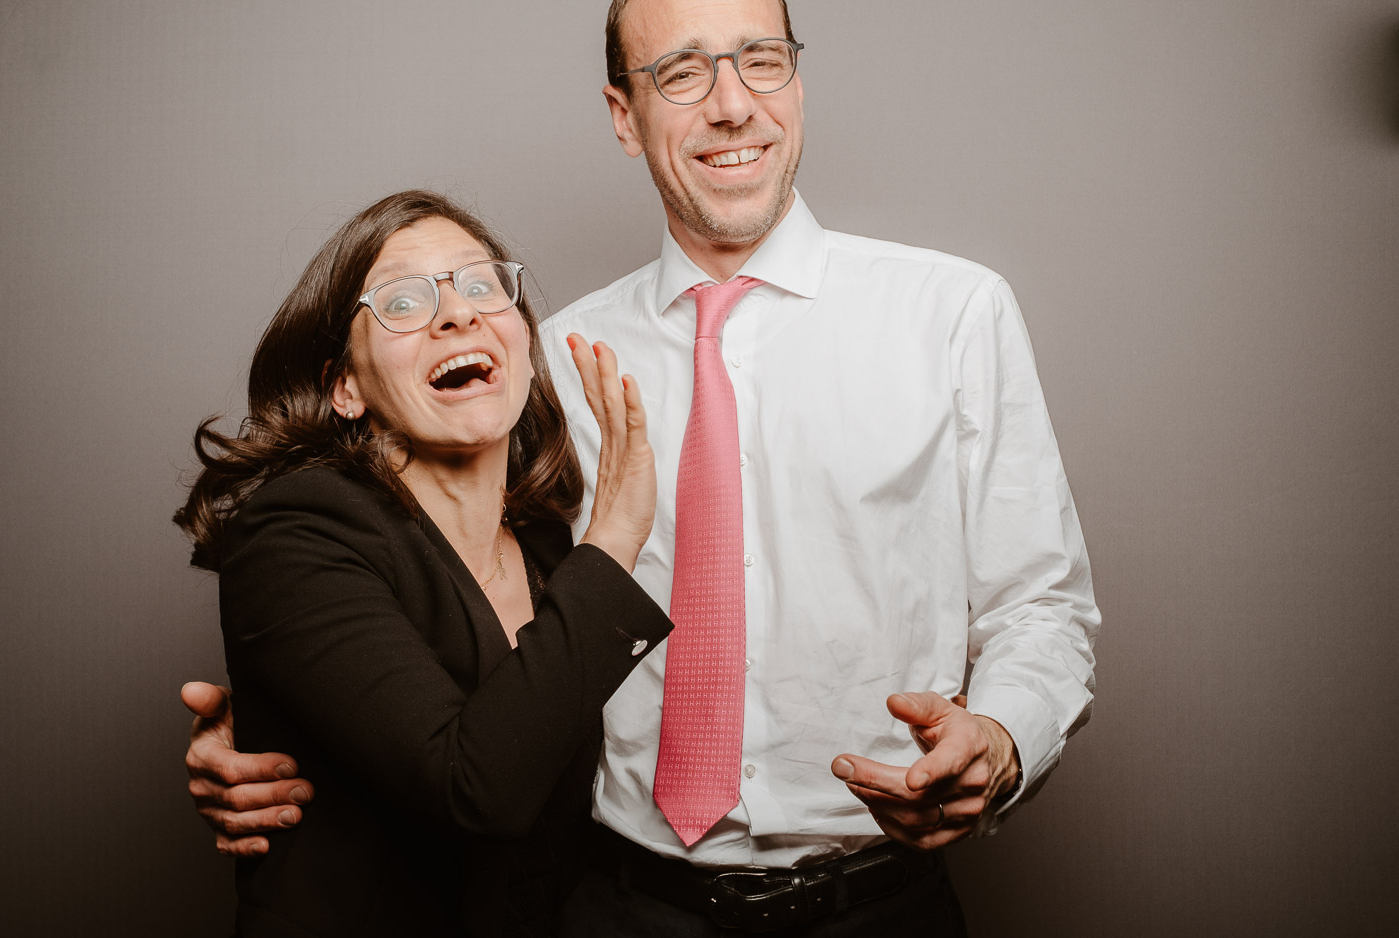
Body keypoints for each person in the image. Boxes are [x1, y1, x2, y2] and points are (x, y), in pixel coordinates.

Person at [184, 1, 1101, 933]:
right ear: (625, 115)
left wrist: (1002, 737)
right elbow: (448, 600)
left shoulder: (952, 316)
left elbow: (1042, 608)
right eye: (682, 73)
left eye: (762, 61)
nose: (733, 105)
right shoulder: (545, 358)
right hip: (614, 905)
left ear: (797, 77)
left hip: (878, 904)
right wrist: (283, 726)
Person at [173, 189, 674, 936]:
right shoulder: (294, 532)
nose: (458, 313)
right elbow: (479, 790)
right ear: (345, 386)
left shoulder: (543, 544)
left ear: (525, 349)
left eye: (481, 286)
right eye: (403, 301)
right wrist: (616, 537)